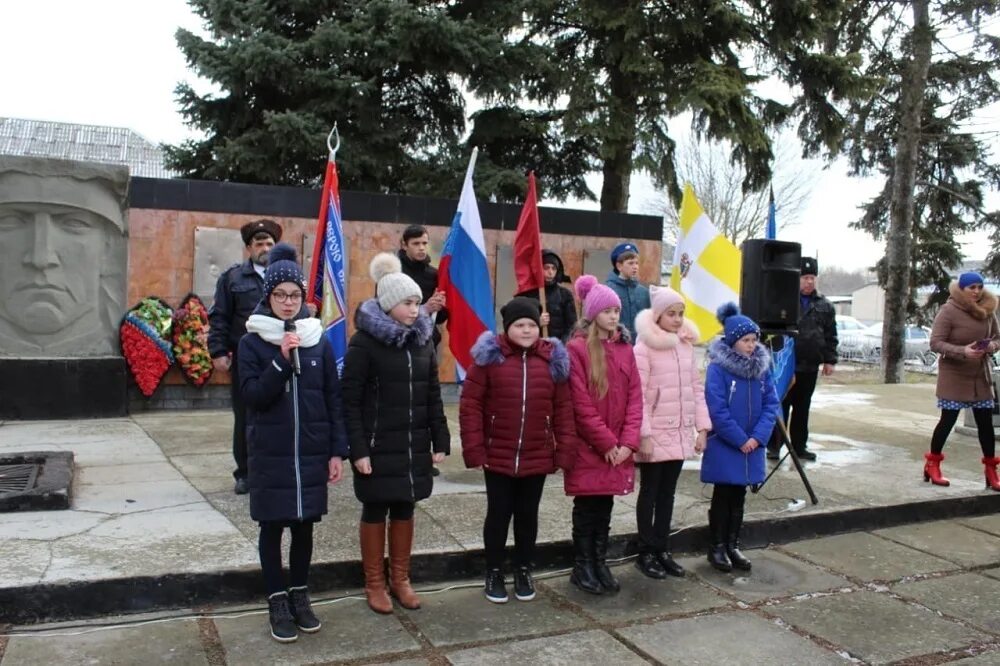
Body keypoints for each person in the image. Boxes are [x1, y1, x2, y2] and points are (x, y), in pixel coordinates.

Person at [237, 242, 348, 643]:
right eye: (280, 295)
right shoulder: (252, 343)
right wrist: (281, 360)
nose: (288, 303)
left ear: (304, 299)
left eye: (295, 295)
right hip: (271, 452)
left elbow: (333, 400)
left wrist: (337, 450)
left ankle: (300, 594)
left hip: (311, 451)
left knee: (304, 528)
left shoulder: (317, 340)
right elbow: (252, 397)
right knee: (273, 527)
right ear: (268, 297)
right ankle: (277, 600)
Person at [341, 253, 451, 614]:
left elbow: (432, 394)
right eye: (408, 302)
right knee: (375, 509)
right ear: (388, 305)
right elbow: (350, 400)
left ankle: (400, 579)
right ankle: (374, 583)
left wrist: (440, 438)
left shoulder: (421, 342)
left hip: (411, 445)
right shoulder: (364, 344)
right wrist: (357, 449)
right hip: (376, 447)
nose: (415, 309)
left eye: (418, 302)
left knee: (405, 507)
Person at [460, 297, 577, 604]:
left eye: (531, 325)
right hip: (498, 454)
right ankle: (494, 571)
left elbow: (564, 409)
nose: (526, 331)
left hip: (537, 454)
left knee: (528, 516)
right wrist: (474, 448)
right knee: (498, 515)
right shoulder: (489, 359)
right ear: (507, 327)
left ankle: (524, 568)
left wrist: (563, 450)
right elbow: (471, 405)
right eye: (519, 325)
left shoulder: (552, 361)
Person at [564, 275, 643, 595]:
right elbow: (580, 403)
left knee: (605, 507)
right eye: (608, 310)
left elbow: (635, 398)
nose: (614, 316)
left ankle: (599, 561)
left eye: (617, 310)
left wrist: (627, 443)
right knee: (587, 507)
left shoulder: (625, 348)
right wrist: (607, 443)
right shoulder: (577, 349)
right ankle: (582, 565)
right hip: (591, 447)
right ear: (593, 312)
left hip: (618, 448)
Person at [632, 286, 710, 579]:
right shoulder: (644, 348)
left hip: (678, 433)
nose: (677, 320)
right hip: (654, 434)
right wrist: (644, 434)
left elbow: (695, 389)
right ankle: (646, 551)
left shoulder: (685, 346)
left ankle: (662, 548)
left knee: (668, 494)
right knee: (650, 493)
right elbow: (637, 395)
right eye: (671, 314)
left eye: (681, 314)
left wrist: (702, 428)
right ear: (658, 315)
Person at [701, 303, 779, 573]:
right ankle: (717, 546)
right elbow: (717, 408)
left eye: (754, 340)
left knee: (740, 495)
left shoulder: (761, 368)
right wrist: (739, 439)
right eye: (746, 340)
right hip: (728, 444)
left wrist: (757, 437)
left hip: (752, 444)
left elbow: (771, 403)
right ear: (733, 341)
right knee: (724, 494)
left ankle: (733, 544)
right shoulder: (718, 369)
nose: (751, 345)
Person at [209, 219, 282, 495]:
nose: (265, 248)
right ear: (248, 248)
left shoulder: (286, 276)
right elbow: (220, 317)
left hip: (281, 356)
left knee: (280, 414)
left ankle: (275, 468)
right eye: (259, 243)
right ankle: (246, 473)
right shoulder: (233, 278)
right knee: (246, 416)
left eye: (269, 243)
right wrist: (217, 351)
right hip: (247, 358)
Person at [925, 272, 1000, 491]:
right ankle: (933, 464)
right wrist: (963, 351)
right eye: (971, 288)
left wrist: (990, 347)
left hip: (980, 376)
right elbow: (936, 343)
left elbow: (997, 337)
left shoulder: (988, 310)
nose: (976, 291)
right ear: (962, 289)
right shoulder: (949, 311)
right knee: (947, 421)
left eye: (979, 287)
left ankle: (991, 471)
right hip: (954, 375)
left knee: (985, 424)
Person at [766, 256, 837, 462]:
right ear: (797, 279)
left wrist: (829, 360)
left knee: (802, 408)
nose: (809, 281)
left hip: (809, 365)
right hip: (786, 365)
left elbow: (831, 335)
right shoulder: (785, 301)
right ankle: (775, 446)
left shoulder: (825, 306)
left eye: (812, 277)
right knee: (782, 406)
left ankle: (799, 447)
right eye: (805, 277)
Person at [397, 224, 448, 477]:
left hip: (427, 344)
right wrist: (425, 308)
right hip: (398, 345)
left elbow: (440, 318)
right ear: (404, 245)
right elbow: (389, 312)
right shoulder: (394, 273)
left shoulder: (433, 274)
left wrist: (442, 305)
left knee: (426, 399)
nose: (421, 248)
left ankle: (425, 456)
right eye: (416, 243)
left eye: (425, 243)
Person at [516, 249, 578, 342]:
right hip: (532, 347)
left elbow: (572, 327)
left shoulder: (565, 295)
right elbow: (517, 323)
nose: (550, 272)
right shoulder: (527, 294)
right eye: (546, 268)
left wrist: (561, 346)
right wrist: (535, 322)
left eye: (553, 268)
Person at [605, 242, 650, 343]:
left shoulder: (643, 292)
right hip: (616, 345)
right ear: (619, 266)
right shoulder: (608, 291)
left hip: (641, 347)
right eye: (630, 263)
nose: (635, 267)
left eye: (636, 263)